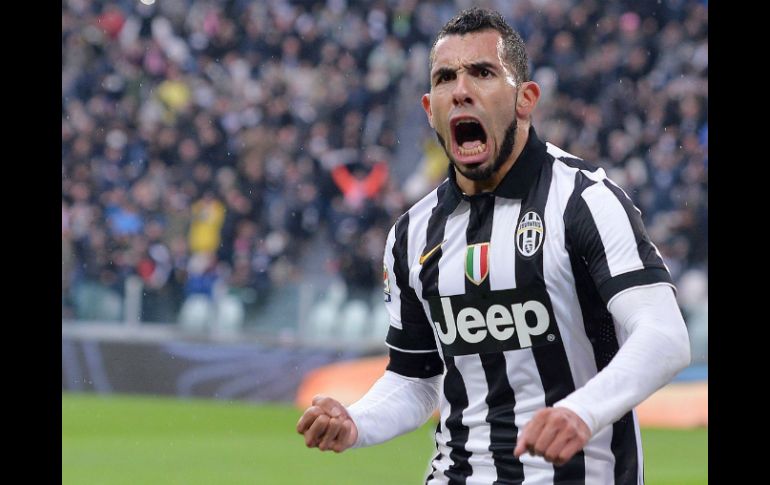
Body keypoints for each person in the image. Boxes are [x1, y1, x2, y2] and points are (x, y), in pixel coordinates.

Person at [297, 8, 691, 484]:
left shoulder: (585, 201)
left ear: (525, 99)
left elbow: (665, 336)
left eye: (482, 73)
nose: (461, 90)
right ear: (429, 108)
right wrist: (357, 421)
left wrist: (581, 412)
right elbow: (415, 378)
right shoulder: (411, 234)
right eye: (445, 78)